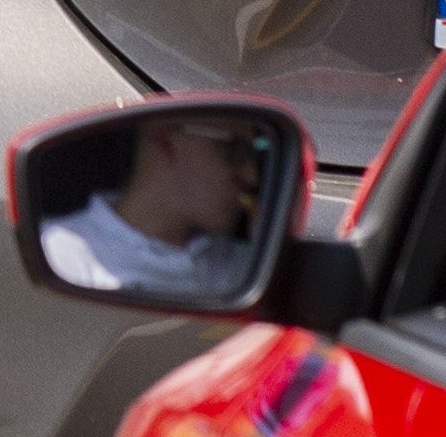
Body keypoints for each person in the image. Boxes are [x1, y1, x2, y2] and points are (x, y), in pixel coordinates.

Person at [36, 112, 273, 306]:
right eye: (233, 149)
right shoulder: (63, 253)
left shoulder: (249, 262)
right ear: (165, 138)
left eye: (255, 153)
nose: (252, 176)